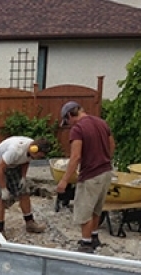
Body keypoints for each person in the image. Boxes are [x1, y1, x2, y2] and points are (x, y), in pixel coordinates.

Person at [55, 101, 115, 253]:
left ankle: (86, 244)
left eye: (67, 121)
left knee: (84, 211)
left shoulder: (78, 129)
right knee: (96, 208)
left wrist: (64, 180)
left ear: (69, 115)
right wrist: (105, 158)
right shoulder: (101, 122)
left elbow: (75, 156)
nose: (68, 125)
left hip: (91, 175)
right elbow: (112, 144)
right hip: (106, 171)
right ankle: (94, 238)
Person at [0, 136, 51, 235]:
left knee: (24, 192)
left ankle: (30, 224)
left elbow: (26, 161)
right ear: (34, 149)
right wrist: (3, 189)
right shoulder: (15, 150)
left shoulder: (31, 150)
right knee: (0, 198)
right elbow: (0, 168)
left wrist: (23, 178)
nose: (38, 158)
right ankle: (0, 231)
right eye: (39, 156)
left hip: (13, 166)